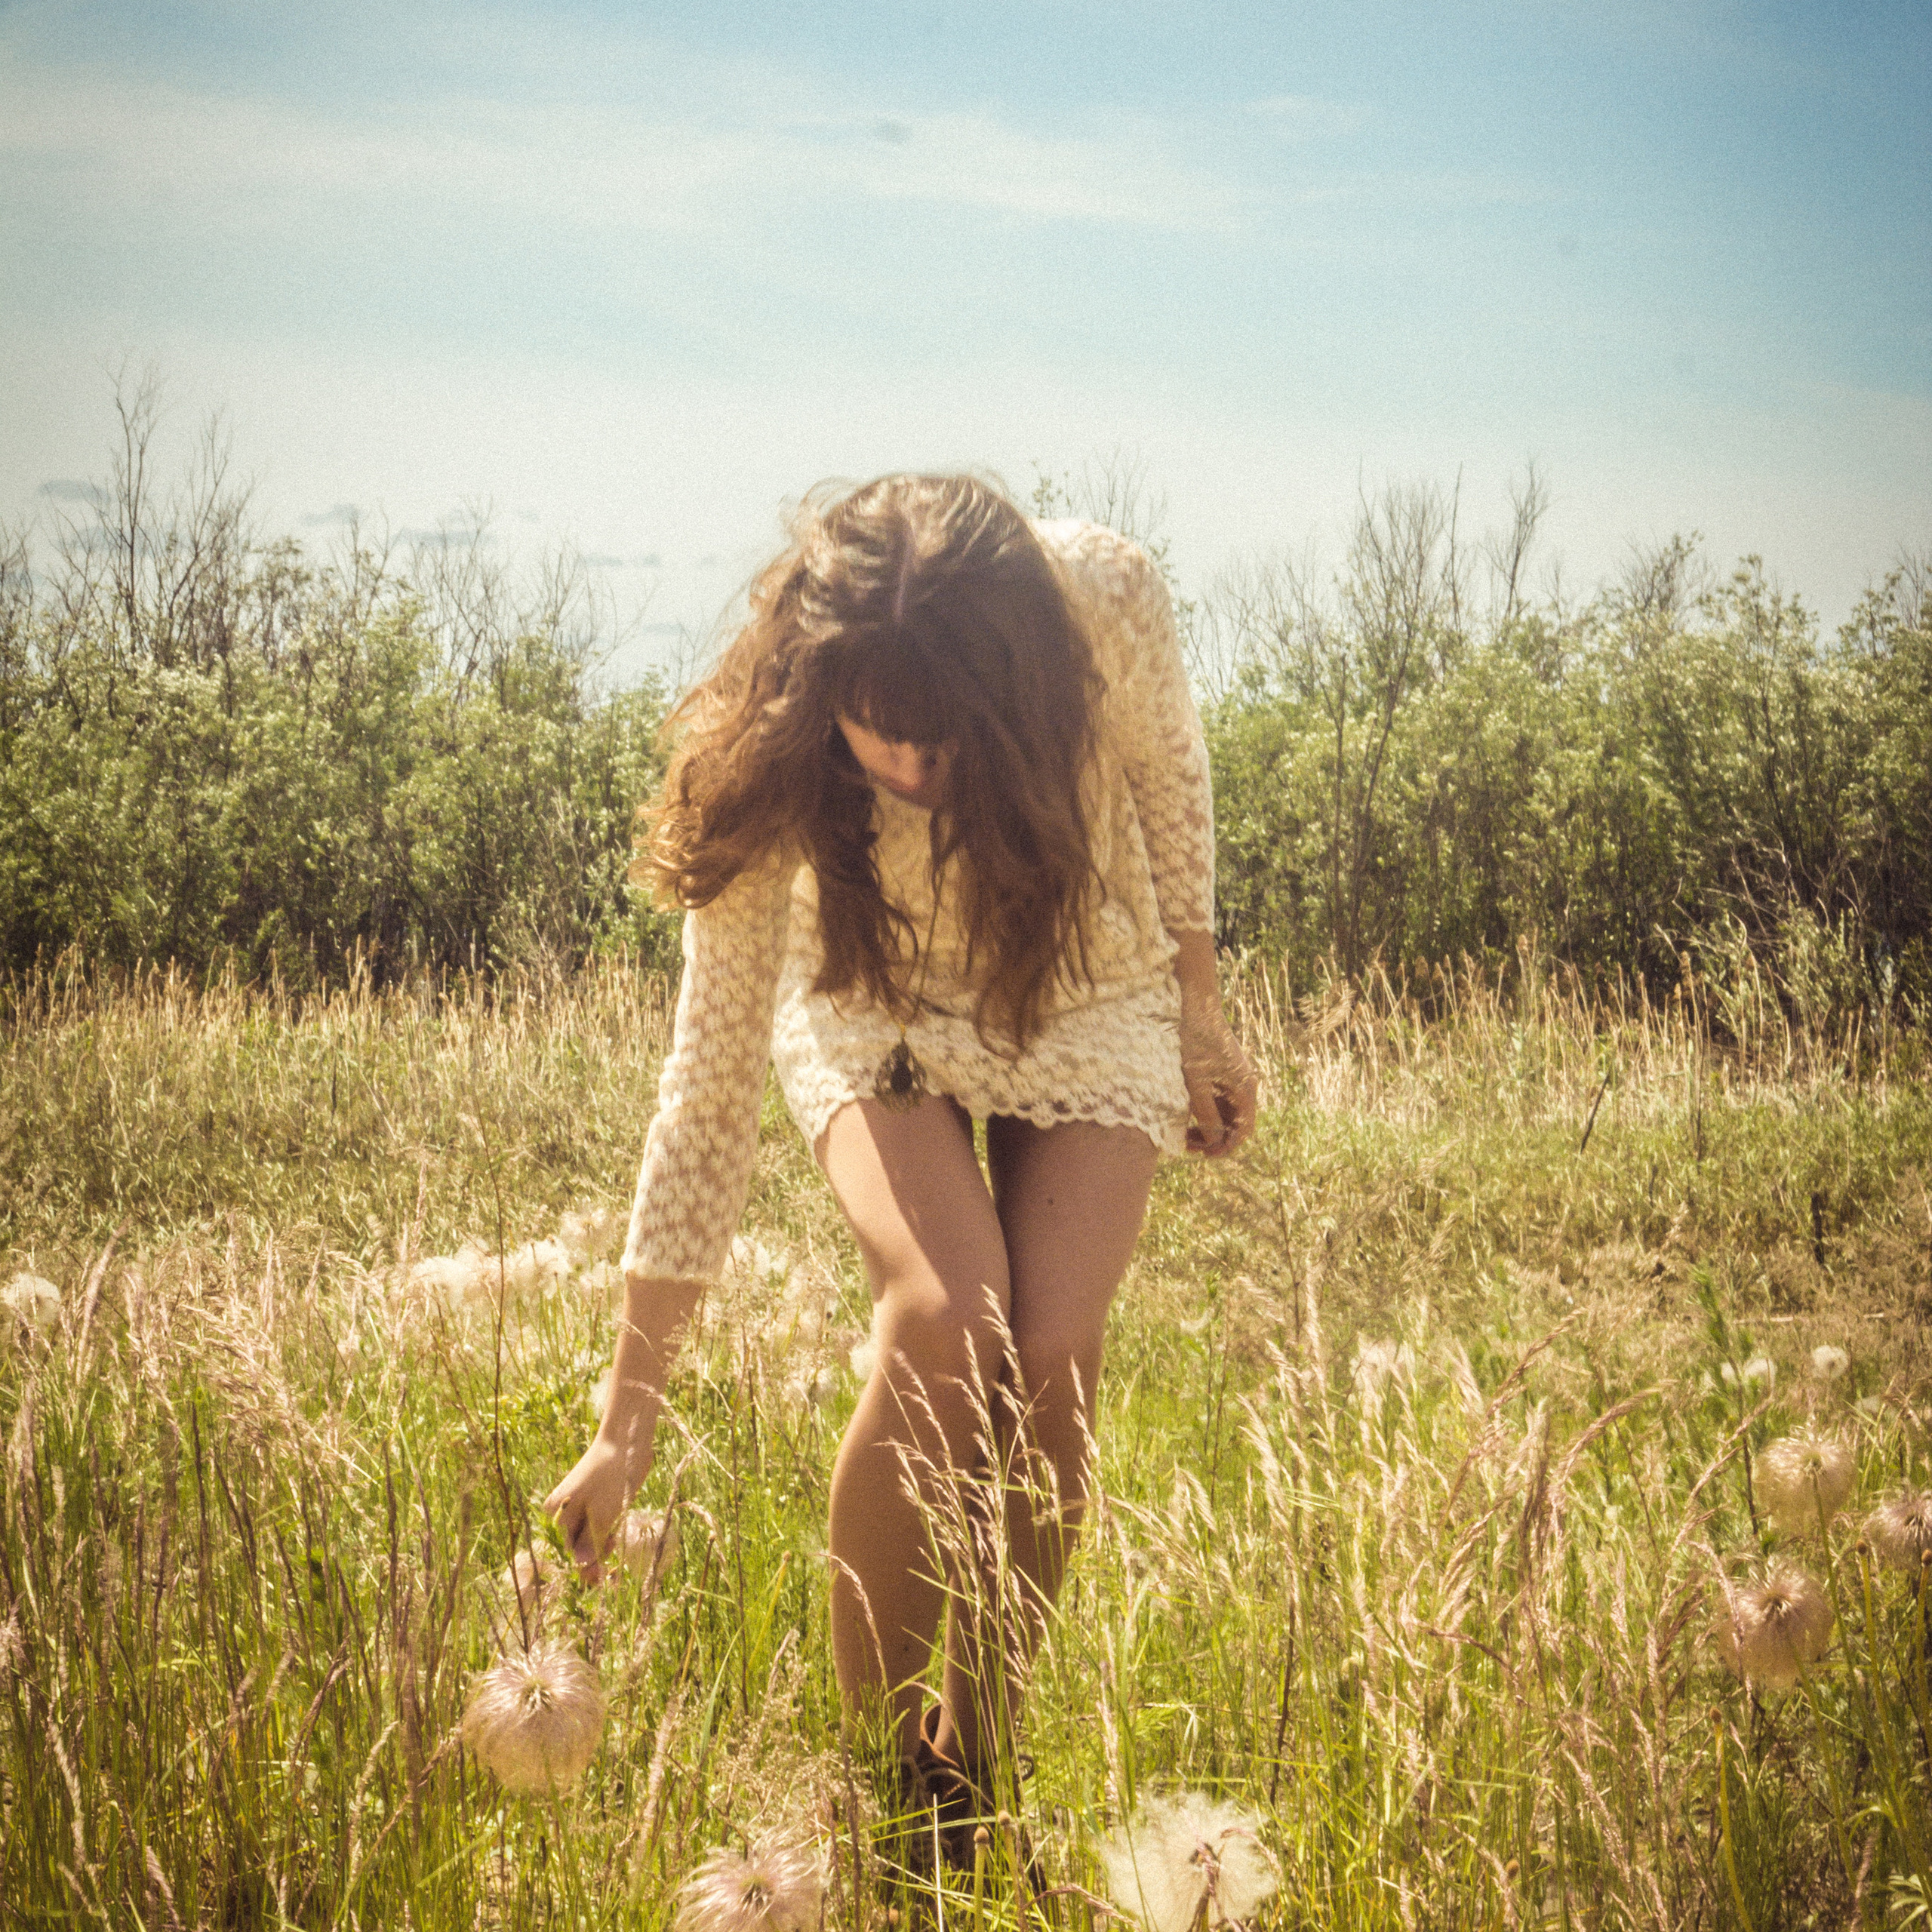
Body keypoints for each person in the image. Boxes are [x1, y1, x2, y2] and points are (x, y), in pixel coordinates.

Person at [544, 472, 1256, 1862]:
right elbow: (704, 1091)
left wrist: (1199, 1001)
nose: (923, 774)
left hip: (1087, 971)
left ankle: (967, 1773)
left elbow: (1173, 783)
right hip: (874, 992)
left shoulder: (1102, 595)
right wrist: (622, 1424)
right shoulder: (769, 764)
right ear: (827, 689)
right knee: (947, 1316)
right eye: (892, 740)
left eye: (955, 743)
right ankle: (872, 1792)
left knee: (1051, 1344)